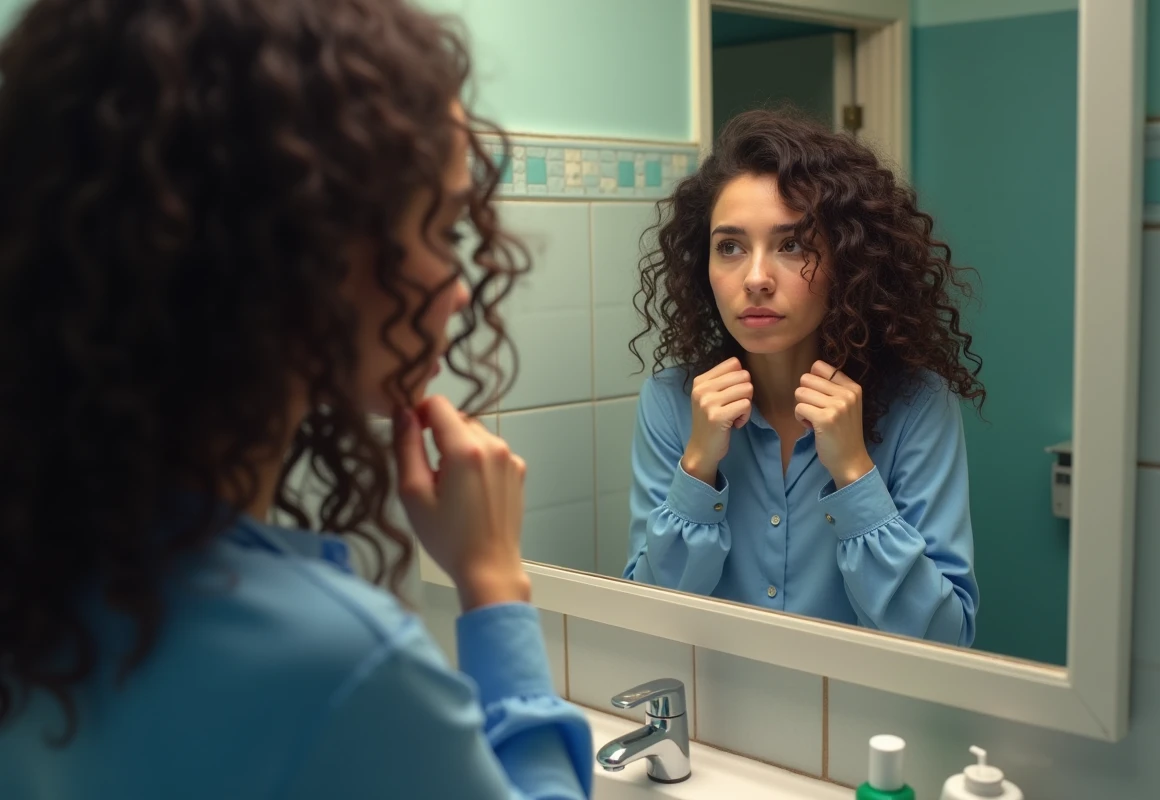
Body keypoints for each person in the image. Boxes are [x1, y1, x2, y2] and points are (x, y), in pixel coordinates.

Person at [0, 1, 591, 798]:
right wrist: (493, 587)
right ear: (308, 247)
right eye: (447, 229)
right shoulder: (338, 670)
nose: (458, 292)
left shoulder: (48, 562)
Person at [625, 108, 984, 647]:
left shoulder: (917, 405)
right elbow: (646, 621)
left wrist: (855, 475)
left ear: (848, 260)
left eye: (791, 245)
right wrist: (697, 469)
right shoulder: (671, 402)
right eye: (730, 247)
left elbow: (944, 640)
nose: (755, 279)